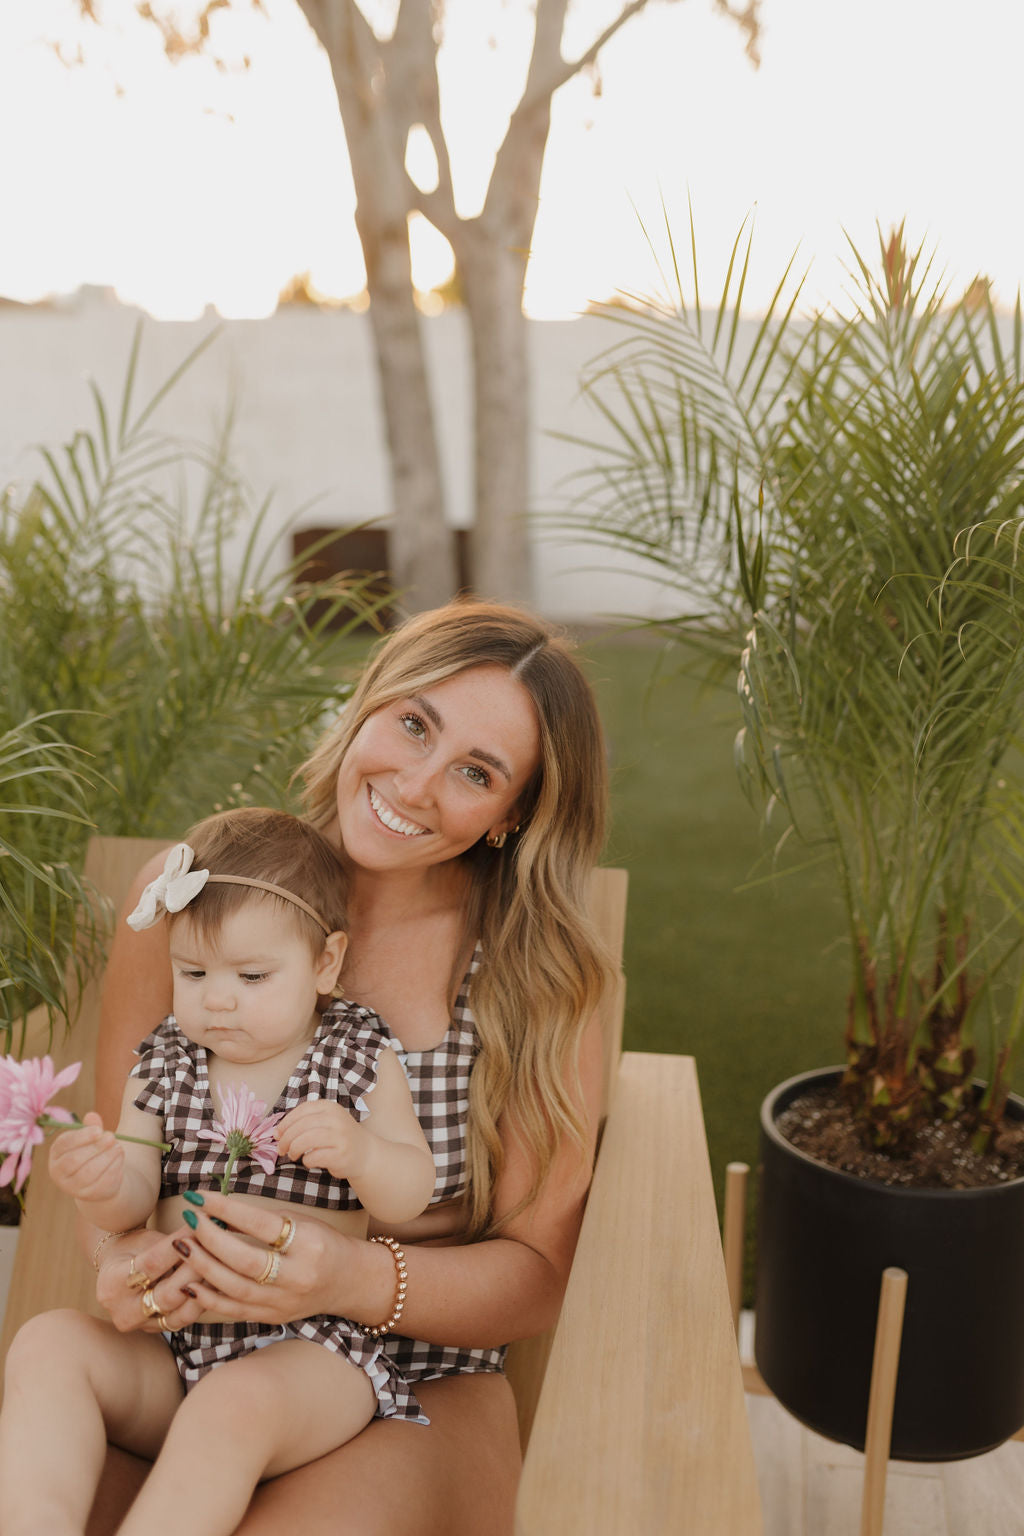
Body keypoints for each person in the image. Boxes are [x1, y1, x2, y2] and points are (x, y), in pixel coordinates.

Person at [25, 600, 610, 1535]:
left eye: (475, 772)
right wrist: (125, 1257)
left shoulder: (536, 978)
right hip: (192, 1344)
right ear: (368, 703)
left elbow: (535, 1273)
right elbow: (134, 1178)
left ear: (512, 816)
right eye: (414, 722)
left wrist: (348, 1277)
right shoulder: (197, 901)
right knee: (50, 1383)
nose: (416, 784)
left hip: (406, 1374)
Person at [0, 807, 436, 1536]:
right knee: (47, 1342)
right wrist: (102, 1183)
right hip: (178, 1347)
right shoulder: (165, 1061)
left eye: (253, 974)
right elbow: (134, 1197)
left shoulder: (355, 1056)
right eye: (193, 972)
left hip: (313, 1353)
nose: (219, 997)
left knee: (232, 1403)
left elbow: (412, 1192)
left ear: (325, 963)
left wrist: (363, 1154)